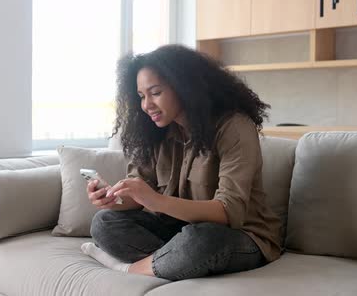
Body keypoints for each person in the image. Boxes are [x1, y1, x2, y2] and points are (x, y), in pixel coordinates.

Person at [80, 44, 281, 281]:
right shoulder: (156, 132)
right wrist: (113, 198)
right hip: (180, 232)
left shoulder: (234, 127)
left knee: (202, 240)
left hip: (241, 235)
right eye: (142, 96)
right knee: (104, 223)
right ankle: (171, 262)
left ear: (185, 87)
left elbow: (229, 212)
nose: (146, 105)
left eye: (155, 93)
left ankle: (131, 268)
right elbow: (138, 196)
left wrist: (156, 200)